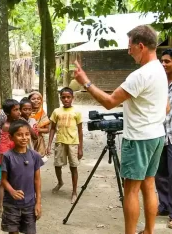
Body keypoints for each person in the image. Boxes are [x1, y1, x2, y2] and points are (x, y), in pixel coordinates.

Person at [73, 25, 168, 234]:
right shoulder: (160, 69)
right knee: (149, 185)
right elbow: (165, 105)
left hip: (139, 138)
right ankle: (149, 231)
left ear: (140, 46)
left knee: (131, 190)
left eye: (130, 46)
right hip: (156, 136)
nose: (128, 51)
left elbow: (109, 102)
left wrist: (85, 82)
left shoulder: (140, 75)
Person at [1, 119, 44, 234]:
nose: (24, 138)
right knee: (13, 231)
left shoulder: (35, 156)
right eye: (19, 135)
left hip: (29, 203)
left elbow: (37, 180)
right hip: (11, 204)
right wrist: (12, 191)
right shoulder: (7, 156)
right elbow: (3, 179)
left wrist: (38, 202)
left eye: (27, 134)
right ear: (11, 137)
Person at [46, 87, 83, 204]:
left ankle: (74, 192)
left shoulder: (76, 112)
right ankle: (60, 182)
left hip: (73, 143)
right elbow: (52, 129)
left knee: (73, 167)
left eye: (68, 97)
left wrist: (80, 148)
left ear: (73, 98)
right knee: (57, 165)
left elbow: (80, 131)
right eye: (63, 97)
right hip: (60, 142)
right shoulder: (57, 111)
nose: (66, 99)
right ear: (60, 98)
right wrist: (49, 145)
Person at [155, 48, 172, 228]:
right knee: (160, 174)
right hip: (159, 134)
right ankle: (164, 205)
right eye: (162, 61)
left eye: (167, 61)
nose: (163, 64)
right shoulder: (160, 83)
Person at [0, 99, 22, 216]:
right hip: (7, 159)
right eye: (15, 110)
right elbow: (3, 146)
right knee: (3, 182)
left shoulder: (18, 123)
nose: (19, 112)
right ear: (8, 113)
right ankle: (0, 206)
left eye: (19, 109)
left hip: (15, 157)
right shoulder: (7, 126)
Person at [28, 91, 50, 156]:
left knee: (38, 160)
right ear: (29, 100)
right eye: (33, 99)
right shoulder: (24, 112)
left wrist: (38, 130)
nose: (36, 101)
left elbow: (47, 129)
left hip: (38, 141)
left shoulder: (42, 114)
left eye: (38, 99)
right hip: (26, 140)